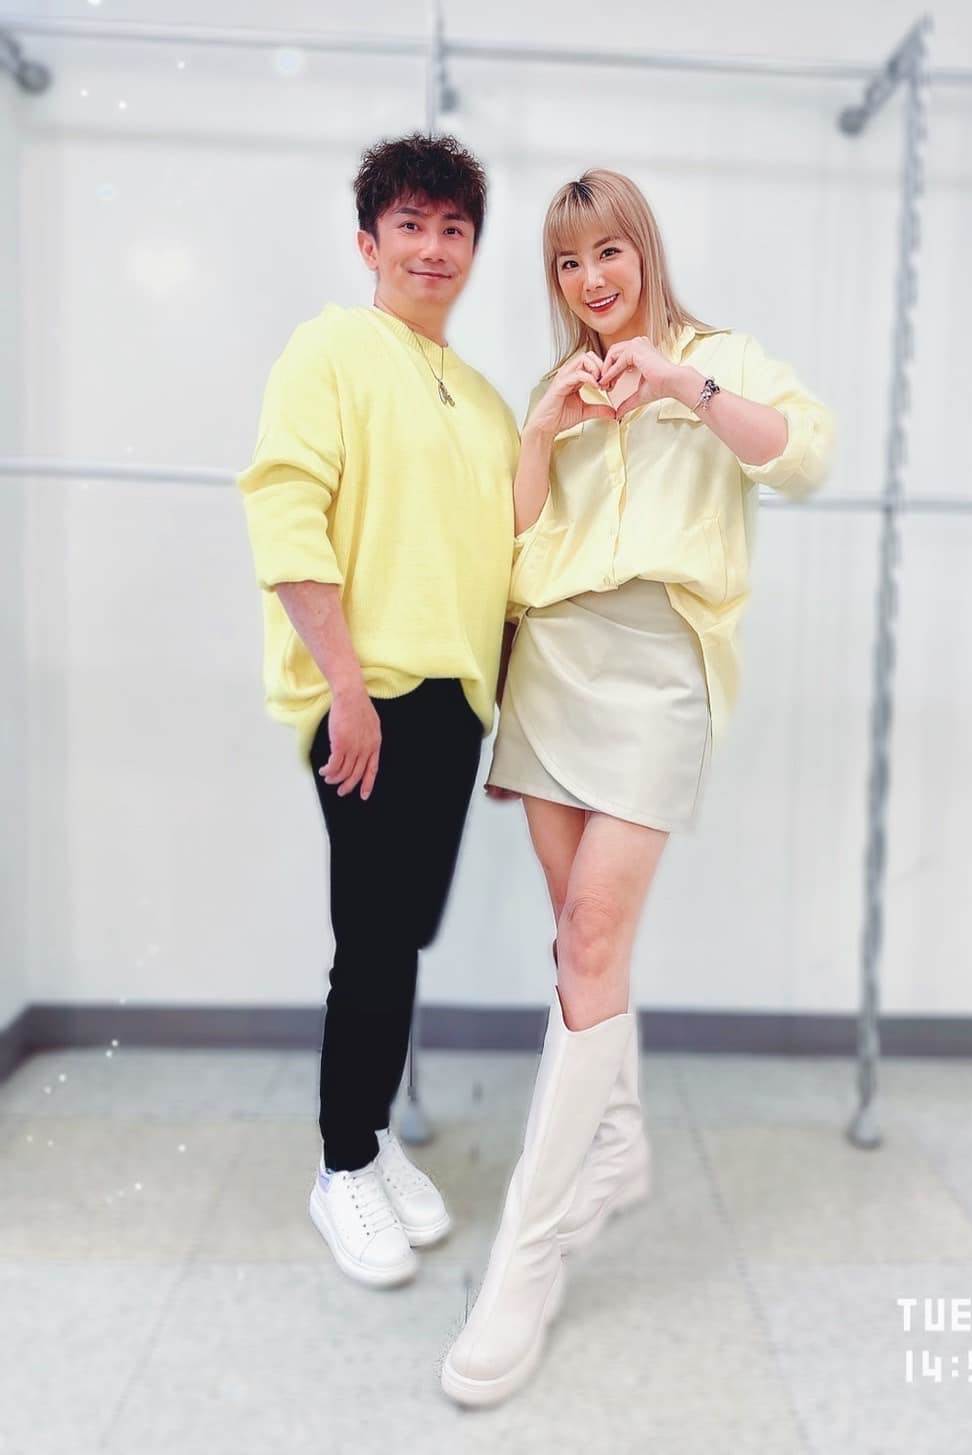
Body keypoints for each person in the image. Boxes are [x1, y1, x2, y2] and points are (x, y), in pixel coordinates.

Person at [441, 169, 836, 1406]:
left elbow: (803, 457)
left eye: (605, 251)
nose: (589, 279)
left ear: (642, 251)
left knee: (595, 933)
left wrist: (682, 386)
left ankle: (526, 1255)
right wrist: (538, 435)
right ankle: (613, 1142)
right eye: (566, 263)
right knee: (579, 944)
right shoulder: (553, 387)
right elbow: (509, 546)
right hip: (552, 663)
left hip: (659, 663)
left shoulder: (714, 361)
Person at [236, 134, 520, 1289]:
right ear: (369, 242)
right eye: (410, 224)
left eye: (453, 228)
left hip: (452, 702)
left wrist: (507, 718)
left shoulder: (486, 403)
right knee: (371, 934)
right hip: (363, 698)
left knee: (403, 931)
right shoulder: (331, 350)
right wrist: (345, 690)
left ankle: (371, 1133)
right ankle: (342, 1164)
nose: (432, 247)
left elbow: (509, 565)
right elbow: (284, 512)